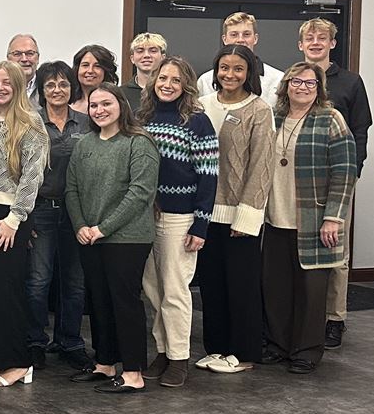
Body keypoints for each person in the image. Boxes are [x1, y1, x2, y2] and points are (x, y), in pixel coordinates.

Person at [263, 63, 356, 374]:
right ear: (286, 85)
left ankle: (307, 350)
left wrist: (334, 218)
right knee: (276, 289)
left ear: (319, 89)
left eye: (310, 83)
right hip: (274, 219)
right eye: (296, 81)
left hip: (314, 221)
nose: (302, 87)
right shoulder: (272, 118)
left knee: (311, 292)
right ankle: (278, 345)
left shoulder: (331, 119)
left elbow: (344, 172)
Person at [66, 83, 159, 394]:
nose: (100, 110)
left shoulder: (139, 143)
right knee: (99, 301)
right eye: (94, 105)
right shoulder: (85, 144)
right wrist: (81, 225)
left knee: (125, 302)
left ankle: (133, 372)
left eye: (106, 103)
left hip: (127, 238)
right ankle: (105, 364)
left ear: (121, 105)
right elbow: (72, 189)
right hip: (90, 237)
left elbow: (140, 194)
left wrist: (103, 228)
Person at [135, 57, 217, 388]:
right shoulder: (144, 117)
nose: (167, 84)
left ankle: (180, 357)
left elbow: (209, 176)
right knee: (152, 290)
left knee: (175, 290)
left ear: (186, 85)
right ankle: (163, 351)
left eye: (176, 79)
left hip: (179, 217)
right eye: (162, 77)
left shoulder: (197, 121)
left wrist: (201, 225)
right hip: (144, 216)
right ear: (153, 80)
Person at [194, 45, 275, 375]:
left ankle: (242, 354)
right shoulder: (201, 107)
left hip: (239, 214)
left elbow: (261, 166)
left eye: (238, 69)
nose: (230, 75)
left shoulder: (259, 110)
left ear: (249, 73)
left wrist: (248, 214)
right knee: (211, 285)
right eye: (224, 68)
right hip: (204, 213)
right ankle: (217, 348)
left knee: (241, 286)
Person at [0, 63, 49, 388]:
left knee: (8, 291)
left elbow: (33, 176)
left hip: (9, 217)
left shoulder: (31, 124)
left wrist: (15, 219)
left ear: (18, 87)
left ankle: (18, 362)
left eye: (6, 83)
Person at [297, 17, 372, 349]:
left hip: (336, 179)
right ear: (301, 44)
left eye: (322, 37)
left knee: (335, 250)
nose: (315, 42)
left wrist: (351, 176)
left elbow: (360, 132)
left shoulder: (351, 83)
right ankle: (304, 315)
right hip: (297, 181)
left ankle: (334, 318)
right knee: (298, 248)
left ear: (332, 43)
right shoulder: (295, 79)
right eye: (309, 37)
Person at [27, 62, 94, 371]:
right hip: (40, 209)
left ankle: (70, 341)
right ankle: (35, 341)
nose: (57, 90)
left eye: (63, 84)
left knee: (75, 281)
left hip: (77, 212)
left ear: (72, 88)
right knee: (39, 281)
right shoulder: (31, 122)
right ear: (41, 90)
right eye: (50, 85)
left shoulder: (87, 122)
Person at [197, 12, 284, 107]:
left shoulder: (278, 79)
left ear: (255, 38)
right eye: (234, 35)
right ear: (224, 39)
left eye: (246, 34)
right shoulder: (205, 81)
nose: (240, 40)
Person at [121, 32, 167, 109]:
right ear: (132, 59)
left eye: (153, 51)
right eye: (140, 51)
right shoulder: (121, 93)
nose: (146, 55)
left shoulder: (169, 90)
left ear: (163, 57)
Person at [68, 44, 117, 115]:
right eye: (85, 65)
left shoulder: (116, 101)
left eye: (97, 66)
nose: (90, 71)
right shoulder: (67, 102)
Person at [5, 34, 41, 102]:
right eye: (17, 54)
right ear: (8, 59)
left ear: (38, 58)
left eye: (30, 53)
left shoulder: (48, 86)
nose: (24, 59)